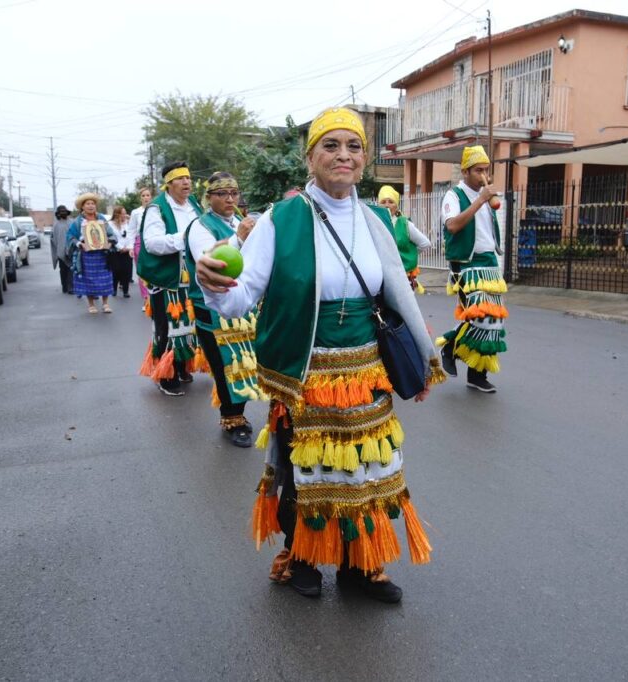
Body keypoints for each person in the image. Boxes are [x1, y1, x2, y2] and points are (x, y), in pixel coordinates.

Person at [196, 107, 445, 603]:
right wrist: (215, 286)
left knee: (366, 468)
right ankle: (303, 557)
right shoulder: (281, 219)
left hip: (366, 372)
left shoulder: (375, 219)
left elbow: (398, 295)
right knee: (304, 472)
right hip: (305, 373)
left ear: (364, 158)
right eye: (330, 145)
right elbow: (243, 295)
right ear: (310, 156)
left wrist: (418, 364)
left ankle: (360, 564)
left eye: (353, 147)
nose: (343, 156)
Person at [184, 172, 262, 447]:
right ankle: (232, 418)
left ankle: (240, 410)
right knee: (225, 364)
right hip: (213, 308)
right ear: (209, 198)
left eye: (234, 193)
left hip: (243, 305)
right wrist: (238, 240)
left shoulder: (242, 222)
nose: (230, 199)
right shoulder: (200, 226)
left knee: (245, 361)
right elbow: (208, 259)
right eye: (222, 194)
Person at [436, 144, 509, 394]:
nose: (484, 175)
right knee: (477, 317)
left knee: (493, 322)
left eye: (486, 170)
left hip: (489, 264)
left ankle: (478, 375)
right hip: (466, 266)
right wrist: (480, 200)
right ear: (465, 171)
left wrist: (486, 200)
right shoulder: (453, 196)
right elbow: (454, 226)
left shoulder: (487, 198)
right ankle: (449, 346)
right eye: (479, 170)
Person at [137, 162, 203, 396]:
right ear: (169, 183)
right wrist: (185, 238)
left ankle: (183, 365)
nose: (187, 182)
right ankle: (166, 374)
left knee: (191, 325)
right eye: (180, 179)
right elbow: (152, 244)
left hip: (192, 275)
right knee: (169, 327)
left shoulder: (194, 204)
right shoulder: (157, 208)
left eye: (188, 178)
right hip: (168, 278)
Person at [67, 193, 117, 314]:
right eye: (87, 204)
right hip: (87, 255)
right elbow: (70, 237)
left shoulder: (101, 219)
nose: (91, 206)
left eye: (93, 204)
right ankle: (91, 304)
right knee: (88, 279)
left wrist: (110, 242)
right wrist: (80, 244)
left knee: (105, 278)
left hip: (102, 255)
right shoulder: (78, 222)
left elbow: (111, 234)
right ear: (82, 207)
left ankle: (105, 304)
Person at [377, 185, 431, 293]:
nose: (387, 205)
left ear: (396, 206)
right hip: (379, 276)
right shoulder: (374, 223)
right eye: (383, 202)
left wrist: (408, 255)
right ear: (378, 205)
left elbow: (425, 243)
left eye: (391, 201)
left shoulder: (405, 224)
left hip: (401, 276)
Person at [130, 187, 152, 303]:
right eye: (143, 196)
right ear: (140, 198)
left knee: (153, 269)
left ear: (151, 196)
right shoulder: (136, 212)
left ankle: (154, 297)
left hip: (153, 240)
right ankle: (146, 299)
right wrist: (130, 247)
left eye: (147, 195)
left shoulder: (157, 209)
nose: (145, 198)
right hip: (139, 242)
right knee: (142, 271)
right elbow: (132, 230)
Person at [109, 205, 134, 298]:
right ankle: (114, 289)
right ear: (116, 214)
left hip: (127, 250)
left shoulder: (128, 223)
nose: (124, 215)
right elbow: (111, 237)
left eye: (125, 213)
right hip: (115, 251)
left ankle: (125, 290)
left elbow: (131, 236)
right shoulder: (110, 224)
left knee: (126, 271)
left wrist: (129, 247)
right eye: (122, 214)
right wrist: (119, 247)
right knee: (115, 271)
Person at [50, 205, 73, 294]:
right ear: (58, 214)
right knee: (63, 269)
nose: (63, 213)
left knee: (71, 268)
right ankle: (64, 286)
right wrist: (57, 250)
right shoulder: (56, 225)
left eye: (64, 211)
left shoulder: (71, 223)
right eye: (61, 211)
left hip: (71, 249)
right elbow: (53, 239)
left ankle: (71, 287)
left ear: (67, 212)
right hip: (60, 251)